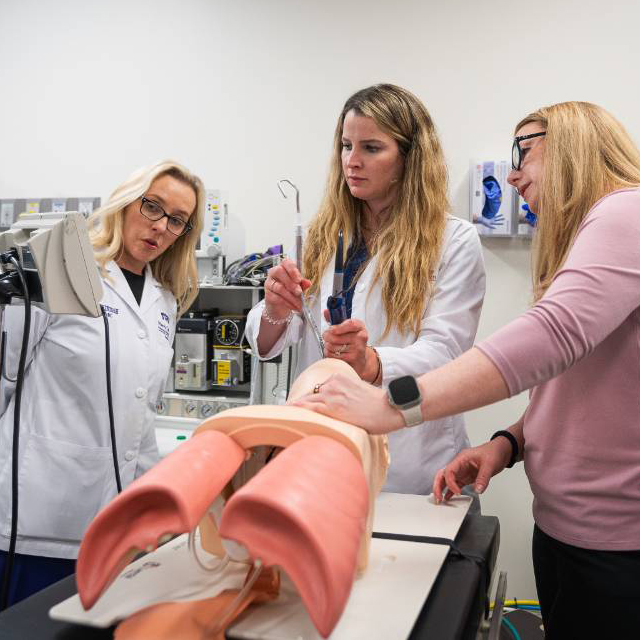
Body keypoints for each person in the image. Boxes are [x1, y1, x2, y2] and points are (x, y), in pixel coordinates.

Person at [293, 101, 640, 639]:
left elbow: (553, 336)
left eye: (524, 149)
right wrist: (508, 442)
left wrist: (390, 404)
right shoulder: (594, 233)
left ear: (574, 141)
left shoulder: (626, 211)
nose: (514, 173)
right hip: (569, 526)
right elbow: (580, 383)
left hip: (615, 540)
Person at [246, 84, 485, 495]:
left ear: (410, 158)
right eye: (345, 145)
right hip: (320, 456)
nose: (351, 162)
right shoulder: (323, 235)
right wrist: (274, 308)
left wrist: (372, 362)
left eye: (372, 148)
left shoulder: (453, 241)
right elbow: (270, 343)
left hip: (412, 466)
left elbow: (447, 354)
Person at [0, 160, 204, 606]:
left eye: (176, 221)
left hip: (120, 527)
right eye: (152, 207)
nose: (160, 227)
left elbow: (139, 412)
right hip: (38, 520)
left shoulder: (164, 300)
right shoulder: (60, 268)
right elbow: (4, 379)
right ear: (126, 203)